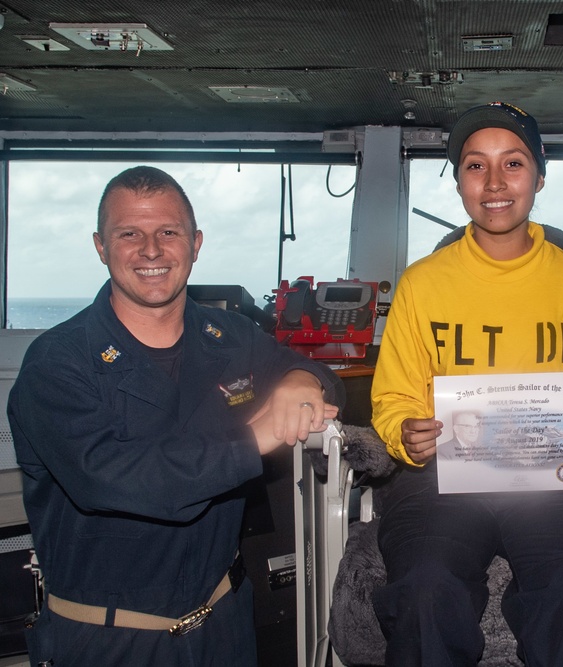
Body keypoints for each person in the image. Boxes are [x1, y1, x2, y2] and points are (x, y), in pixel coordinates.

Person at [8, 166, 344, 666]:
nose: (151, 250)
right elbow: (110, 480)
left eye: (168, 232)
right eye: (130, 234)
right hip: (108, 641)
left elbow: (323, 380)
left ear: (196, 243)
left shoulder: (231, 336)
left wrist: (301, 380)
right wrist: (255, 439)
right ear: (101, 246)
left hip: (224, 626)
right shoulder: (56, 363)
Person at [370, 101, 563, 665]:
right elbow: (392, 398)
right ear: (459, 180)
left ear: (539, 174)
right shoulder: (421, 284)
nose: (494, 183)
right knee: (424, 589)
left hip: (552, 480)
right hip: (443, 478)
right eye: (474, 166)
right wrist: (404, 434)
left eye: (513, 164)